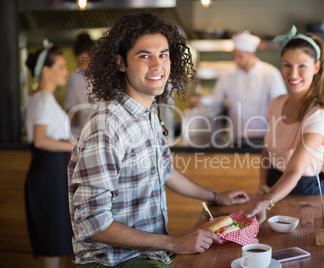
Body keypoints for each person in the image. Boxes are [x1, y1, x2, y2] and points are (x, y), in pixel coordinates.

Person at [67, 12, 249, 267]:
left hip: (150, 253)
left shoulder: (148, 114)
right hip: (114, 261)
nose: (158, 65)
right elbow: (94, 223)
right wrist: (174, 242)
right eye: (145, 56)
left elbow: (164, 171)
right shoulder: (107, 127)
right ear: (121, 63)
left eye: (163, 55)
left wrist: (216, 197)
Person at [248, 25, 324, 224]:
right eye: (287, 64)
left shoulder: (318, 115)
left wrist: (267, 199)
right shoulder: (276, 104)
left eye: (302, 66)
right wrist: (263, 186)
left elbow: (295, 170)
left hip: (306, 193)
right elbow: (266, 151)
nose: (293, 74)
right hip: (274, 189)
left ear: (316, 67)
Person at [25, 41, 75, 268]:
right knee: (52, 236)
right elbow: (40, 139)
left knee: (54, 235)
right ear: (46, 70)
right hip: (48, 174)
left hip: (50, 172)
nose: (66, 71)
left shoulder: (40, 98)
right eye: (61, 66)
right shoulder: (43, 99)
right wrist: (75, 146)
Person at [190, 31, 287, 146]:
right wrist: (201, 101)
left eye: (240, 56)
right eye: (234, 56)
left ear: (251, 54)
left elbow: (281, 105)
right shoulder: (227, 75)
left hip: (263, 137)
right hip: (237, 136)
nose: (236, 60)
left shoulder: (270, 73)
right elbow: (216, 97)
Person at [64, 33, 95, 129]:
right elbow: (72, 111)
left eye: (85, 62)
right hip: (86, 134)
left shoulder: (110, 74)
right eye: (79, 63)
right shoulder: (75, 78)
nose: (83, 67)